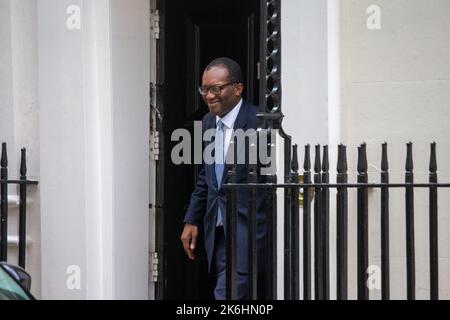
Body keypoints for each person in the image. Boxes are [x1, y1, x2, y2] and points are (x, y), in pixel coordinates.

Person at [180, 57, 267, 300]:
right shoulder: (208, 122)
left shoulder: (260, 122)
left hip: (249, 231)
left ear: (238, 88)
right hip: (217, 231)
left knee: (227, 293)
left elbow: (270, 183)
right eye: (205, 89)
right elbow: (206, 178)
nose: (209, 96)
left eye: (216, 88)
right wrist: (193, 219)